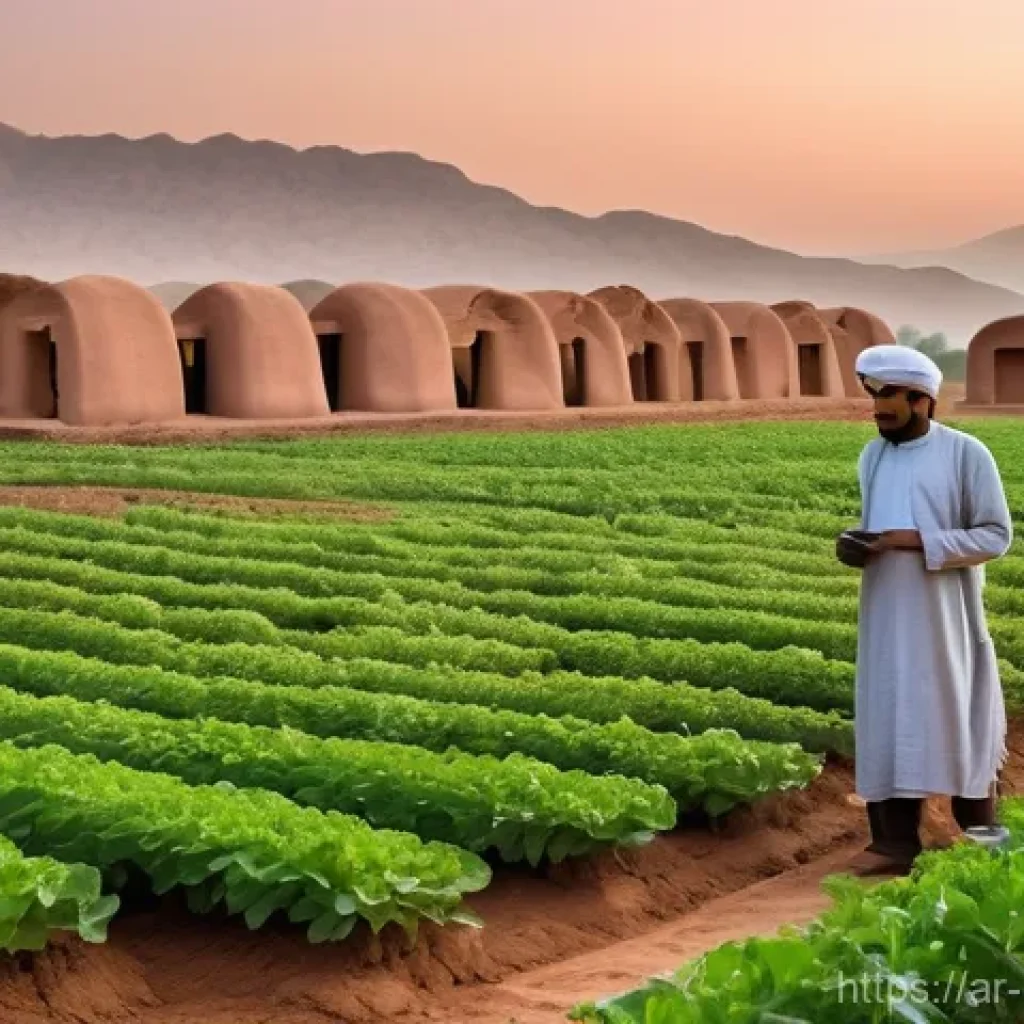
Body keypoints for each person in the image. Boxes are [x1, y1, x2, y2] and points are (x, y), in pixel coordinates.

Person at [837, 343, 1012, 875]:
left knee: (957, 712)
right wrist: (856, 546)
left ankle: (979, 832)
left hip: (945, 618)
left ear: (923, 399)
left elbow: (995, 536)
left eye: (890, 398)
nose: (878, 410)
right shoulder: (874, 456)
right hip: (886, 611)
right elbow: (877, 525)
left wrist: (915, 541)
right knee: (889, 711)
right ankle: (893, 843)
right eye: (876, 398)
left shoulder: (966, 453)